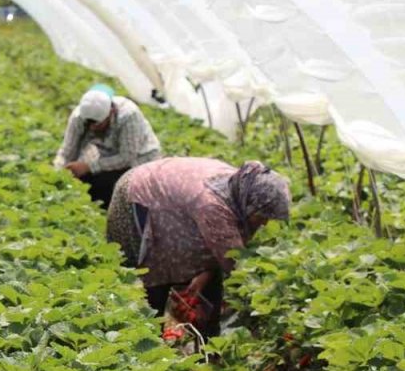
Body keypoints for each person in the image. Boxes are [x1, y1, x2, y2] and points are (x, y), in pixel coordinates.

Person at [106, 158, 291, 336]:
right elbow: (235, 261)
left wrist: (205, 274)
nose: (265, 222)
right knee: (149, 276)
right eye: (262, 215)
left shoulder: (240, 185)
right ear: (249, 203)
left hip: (164, 193)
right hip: (136, 196)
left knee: (196, 271)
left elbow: (222, 249)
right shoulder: (212, 206)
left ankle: (202, 342)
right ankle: (148, 340)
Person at [54, 87, 162, 206]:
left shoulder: (128, 115)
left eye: (97, 124)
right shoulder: (79, 117)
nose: (92, 128)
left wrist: (88, 167)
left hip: (141, 159)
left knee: (109, 187)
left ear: (110, 113)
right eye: (88, 124)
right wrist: (58, 172)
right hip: (109, 157)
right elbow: (67, 151)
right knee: (83, 182)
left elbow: (127, 157)